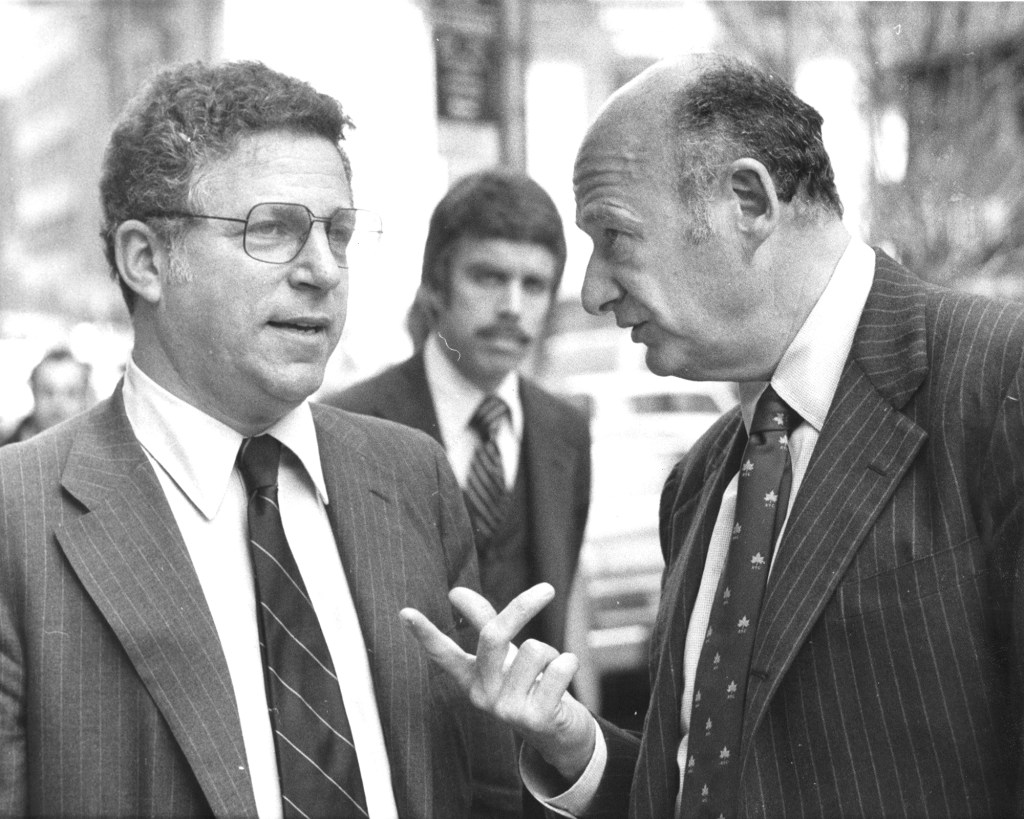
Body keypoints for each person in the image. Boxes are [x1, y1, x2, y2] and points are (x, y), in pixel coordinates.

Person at [401, 52, 1024, 818]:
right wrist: (575, 742)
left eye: (615, 237)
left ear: (748, 201)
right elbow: (712, 786)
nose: (593, 291)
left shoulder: (998, 387)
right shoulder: (702, 479)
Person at [0, 60, 520, 818]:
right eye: (272, 229)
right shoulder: (18, 518)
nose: (321, 271)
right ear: (146, 260)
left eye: (337, 233)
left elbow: (479, 784)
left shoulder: (410, 476)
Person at [326, 169, 591, 651]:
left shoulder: (565, 430)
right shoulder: (351, 424)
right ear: (436, 285)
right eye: (488, 277)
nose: (512, 306)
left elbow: (568, 609)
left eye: (533, 285)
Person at [1, 346, 93, 445]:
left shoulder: (101, 451)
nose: (58, 403)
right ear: (34, 392)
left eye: (71, 393)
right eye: (48, 392)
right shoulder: (4, 450)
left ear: (85, 397)